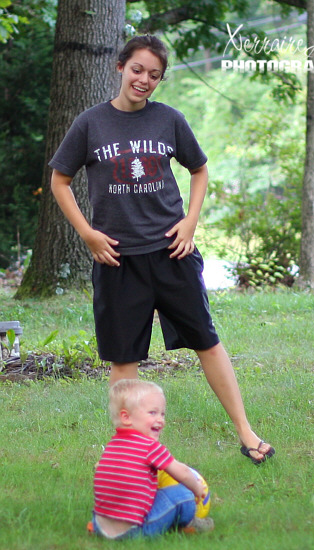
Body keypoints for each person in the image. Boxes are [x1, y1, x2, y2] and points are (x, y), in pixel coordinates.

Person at [50, 34, 275, 465]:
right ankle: (129, 457)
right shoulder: (90, 124)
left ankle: (246, 433)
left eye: (154, 75)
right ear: (120, 68)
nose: (144, 80)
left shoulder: (169, 119)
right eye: (137, 70)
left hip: (172, 253)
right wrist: (87, 234)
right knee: (123, 359)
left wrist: (190, 221)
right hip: (116, 258)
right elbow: (60, 180)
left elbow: (200, 169)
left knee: (207, 341)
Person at [89, 379, 213, 538]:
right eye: (152, 413)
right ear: (126, 417)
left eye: (162, 413)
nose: (160, 419)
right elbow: (181, 473)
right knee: (183, 494)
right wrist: (196, 488)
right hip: (135, 531)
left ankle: (101, 529)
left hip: (100, 526)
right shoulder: (150, 447)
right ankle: (190, 525)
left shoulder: (113, 444)